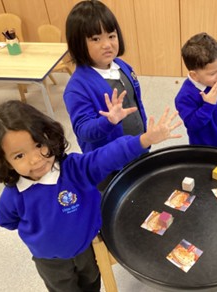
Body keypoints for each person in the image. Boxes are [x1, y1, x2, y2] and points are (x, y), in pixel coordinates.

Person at [0, 100, 181, 292]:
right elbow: (7, 221)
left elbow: (107, 156)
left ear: (48, 136)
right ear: (6, 162)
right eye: (19, 156)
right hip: (50, 261)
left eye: (38, 144)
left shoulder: (75, 168)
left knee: (92, 283)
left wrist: (143, 140)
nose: (35, 159)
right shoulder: (14, 195)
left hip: (88, 248)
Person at [63, 0, 148, 190]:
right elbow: (83, 130)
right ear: (78, 43)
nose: (107, 45)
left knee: (142, 188)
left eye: (111, 35)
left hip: (136, 146)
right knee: (116, 198)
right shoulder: (77, 88)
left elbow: (135, 102)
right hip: (109, 165)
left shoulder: (123, 67)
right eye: (95, 39)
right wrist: (108, 121)